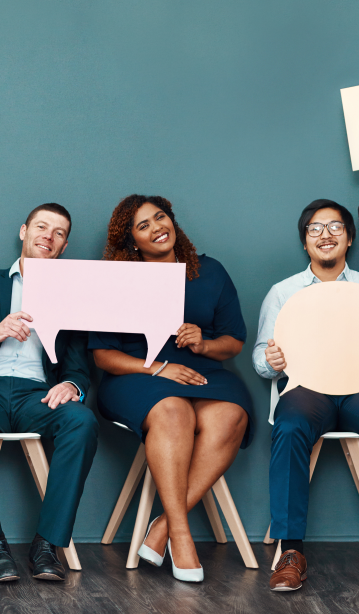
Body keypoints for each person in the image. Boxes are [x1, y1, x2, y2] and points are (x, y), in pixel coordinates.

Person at [253, 199, 359, 593]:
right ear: (304, 243)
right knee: (291, 423)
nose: (325, 235)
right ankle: (291, 551)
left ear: (349, 238)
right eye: (314, 229)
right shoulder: (283, 293)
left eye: (334, 227)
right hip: (307, 389)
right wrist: (272, 359)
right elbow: (260, 361)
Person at [90, 194, 252, 583]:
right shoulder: (116, 280)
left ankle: (161, 526)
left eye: (160, 217)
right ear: (132, 241)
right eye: (142, 225)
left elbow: (234, 342)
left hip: (202, 371)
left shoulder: (210, 272)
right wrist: (159, 368)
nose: (156, 228)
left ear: (173, 221)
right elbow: (102, 355)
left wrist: (203, 344)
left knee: (232, 415)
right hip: (137, 376)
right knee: (173, 409)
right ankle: (181, 536)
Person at [0, 203, 98, 583]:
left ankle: (47, 545)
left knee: (82, 420)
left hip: (38, 394)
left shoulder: (72, 293)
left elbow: (78, 364)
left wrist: (71, 385)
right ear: (23, 231)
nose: (49, 236)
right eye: (42, 227)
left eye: (58, 233)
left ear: (64, 245)